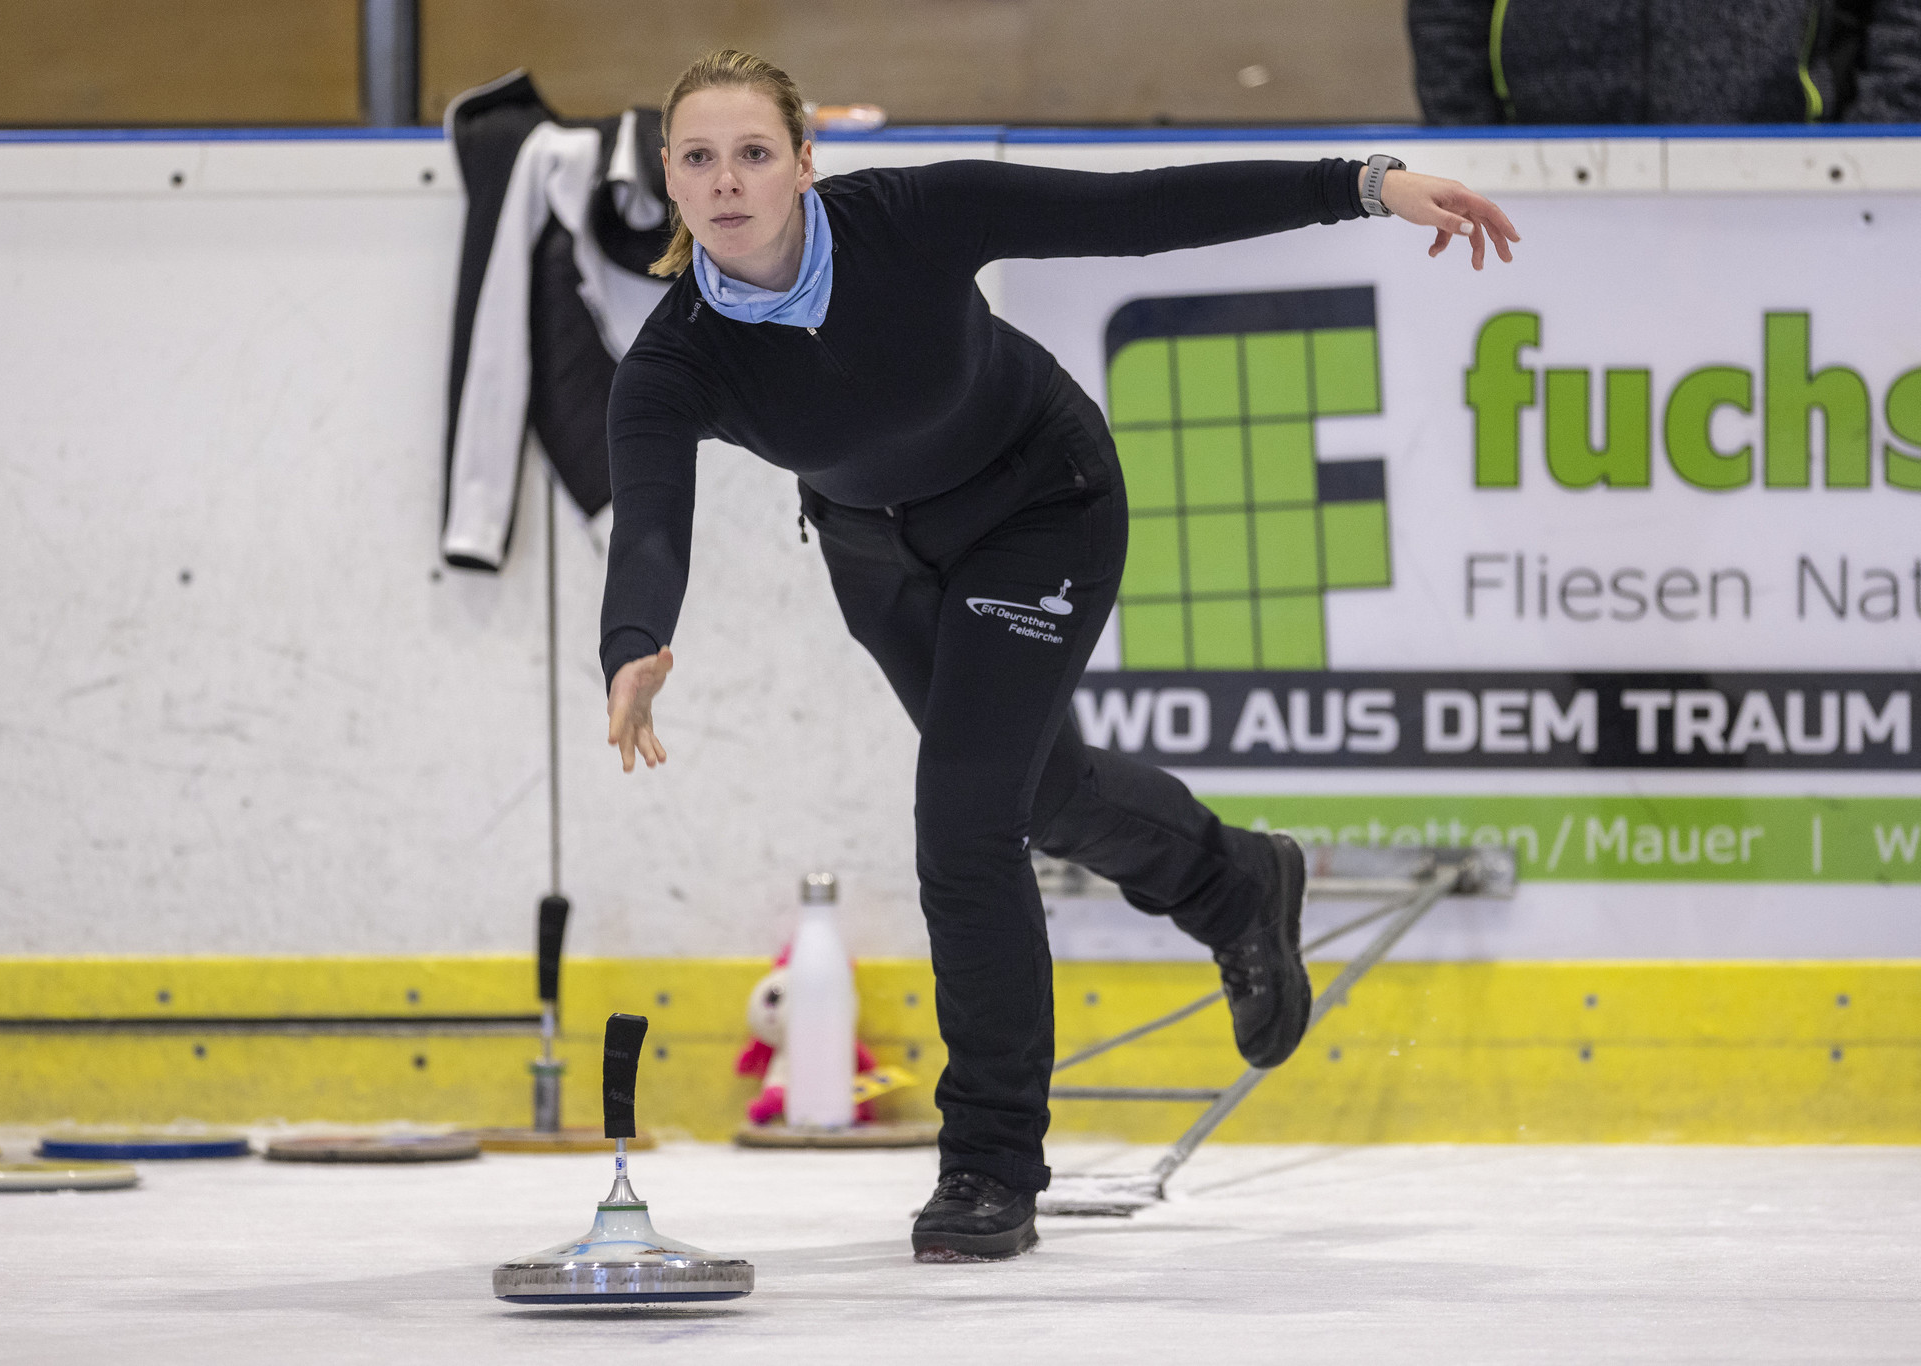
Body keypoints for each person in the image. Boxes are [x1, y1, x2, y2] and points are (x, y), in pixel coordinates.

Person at [600, 48, 1520, 1262]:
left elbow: (1133, 212)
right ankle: (1231, 881)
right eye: (700, 158)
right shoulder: (673, 360)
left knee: (963, 818)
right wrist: (634, 645)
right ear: (667, 175)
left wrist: (1358, 183)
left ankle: (988, 1165)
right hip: (875, 556)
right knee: (1031, 793)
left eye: (754, 152)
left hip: (1040, 503)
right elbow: (652, 515)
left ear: (805, 161)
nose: (728, 181)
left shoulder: (910, 219)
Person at [1409, 0, 1921, 125]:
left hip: (1797, 183)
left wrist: (1876, 138)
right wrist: (1472, 147)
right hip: (1536, 182)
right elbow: (1446, 15)